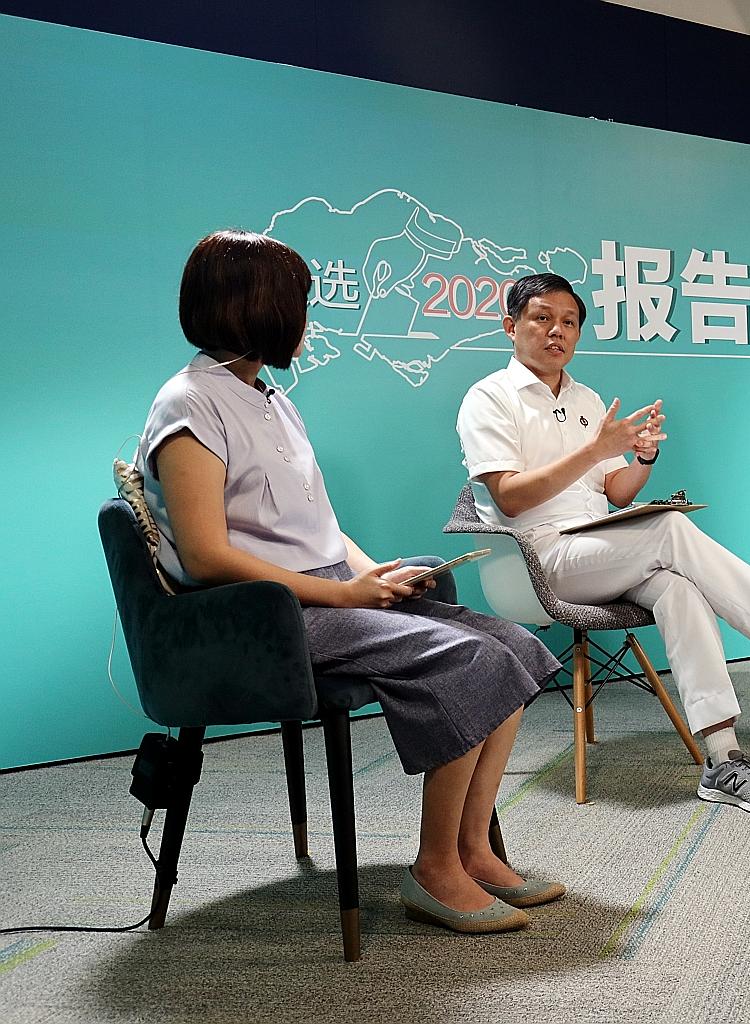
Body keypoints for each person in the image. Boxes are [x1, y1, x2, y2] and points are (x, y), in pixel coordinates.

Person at [136, 230, 564, 934]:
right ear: (259, 308)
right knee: (471, 660)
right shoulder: (188, 404)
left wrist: (371, 573)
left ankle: (473, 849)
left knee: (512, 645)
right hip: (260, 616)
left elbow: (318, 522)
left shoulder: (269, 397)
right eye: (300, 303)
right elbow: (208, 557)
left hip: (322, 591)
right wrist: (342, 594)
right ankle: (435, 871)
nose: (308, 319)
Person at [456, 273, 750, 817]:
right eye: (542, 318)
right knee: (670, 530)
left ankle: (723, 760)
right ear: (511, 326)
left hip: (598, 550)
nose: (556, 331)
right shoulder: (489, 397)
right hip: (538, 560)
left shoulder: (586, 399)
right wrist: (595, 452)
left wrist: (641, 459)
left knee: (679, 588)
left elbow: (615, 491)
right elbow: (510, 499)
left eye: (568, 322)